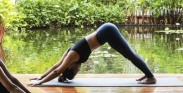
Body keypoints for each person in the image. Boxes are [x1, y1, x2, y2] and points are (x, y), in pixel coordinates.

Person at [28, 22, 156, 86]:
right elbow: (55, 66)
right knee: (128, 55)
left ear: (71, 67)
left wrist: (40, 82)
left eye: (76, 71)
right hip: (105, 34)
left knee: (130, 55)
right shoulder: (70, 53)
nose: (79, 70)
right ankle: (147, 74)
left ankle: (151, 77)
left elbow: (57, 71)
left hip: (108, 31)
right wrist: (40, 77)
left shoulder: (72, 56)